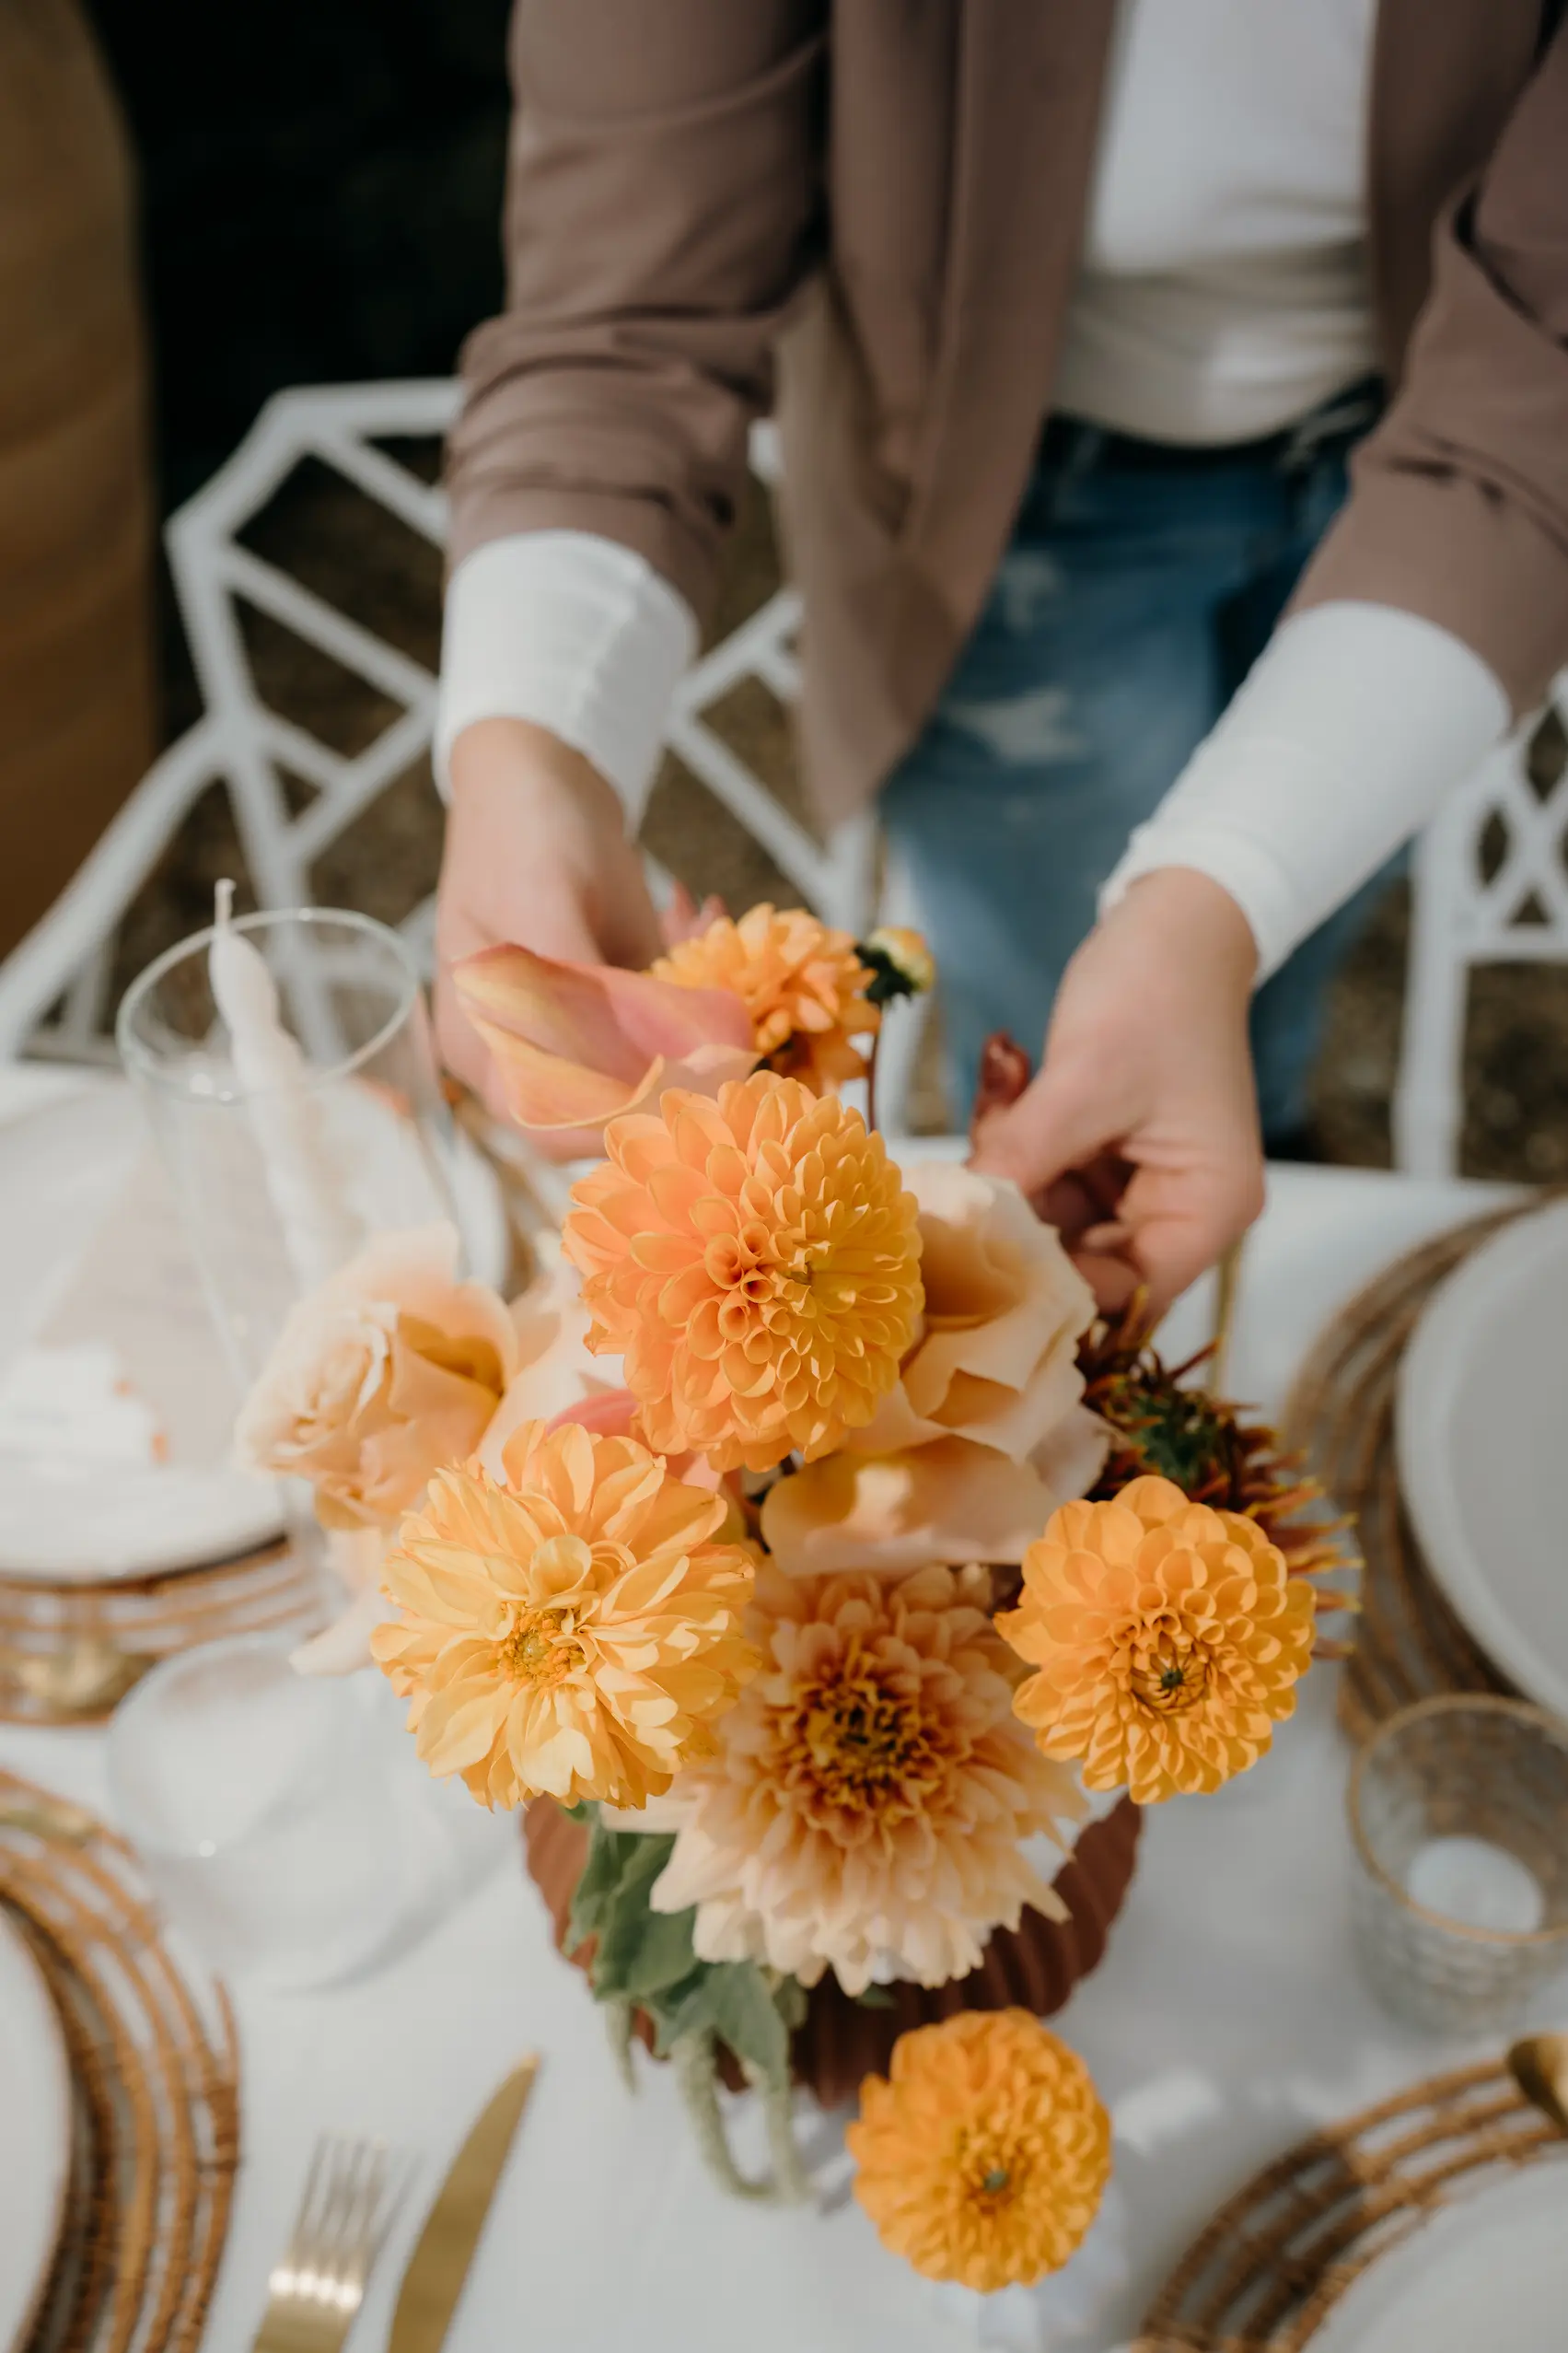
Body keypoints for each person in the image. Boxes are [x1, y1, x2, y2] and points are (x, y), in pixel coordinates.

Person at [434, 0, 1568, 1313]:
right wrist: (532, 753)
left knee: (1287, 914)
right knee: (1049, 1007)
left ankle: (1269, 1109)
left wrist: (1218, 907)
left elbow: (1537, 385)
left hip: (1435, 443)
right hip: (998, 497)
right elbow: (621, 310)